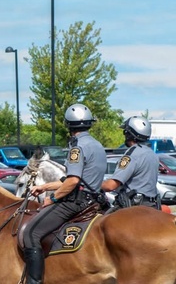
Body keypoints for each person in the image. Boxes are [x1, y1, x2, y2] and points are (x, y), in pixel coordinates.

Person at [22, 103, 107, 284]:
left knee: (30, 233)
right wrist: (44, 187)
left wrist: (51, 199)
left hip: (76, 202)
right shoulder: (97, 145)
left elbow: (73, 181)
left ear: (69, 125)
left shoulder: (77, 147)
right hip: (94, 200)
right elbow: (69, 180)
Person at [102, 116, 160, 211]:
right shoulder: (152, 154)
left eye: (126, 132)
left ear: (129, 134)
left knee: (100, 223)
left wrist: (95, 184)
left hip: (134, 207)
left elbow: (111, 185)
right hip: (152, 206)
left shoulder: (131, 155)